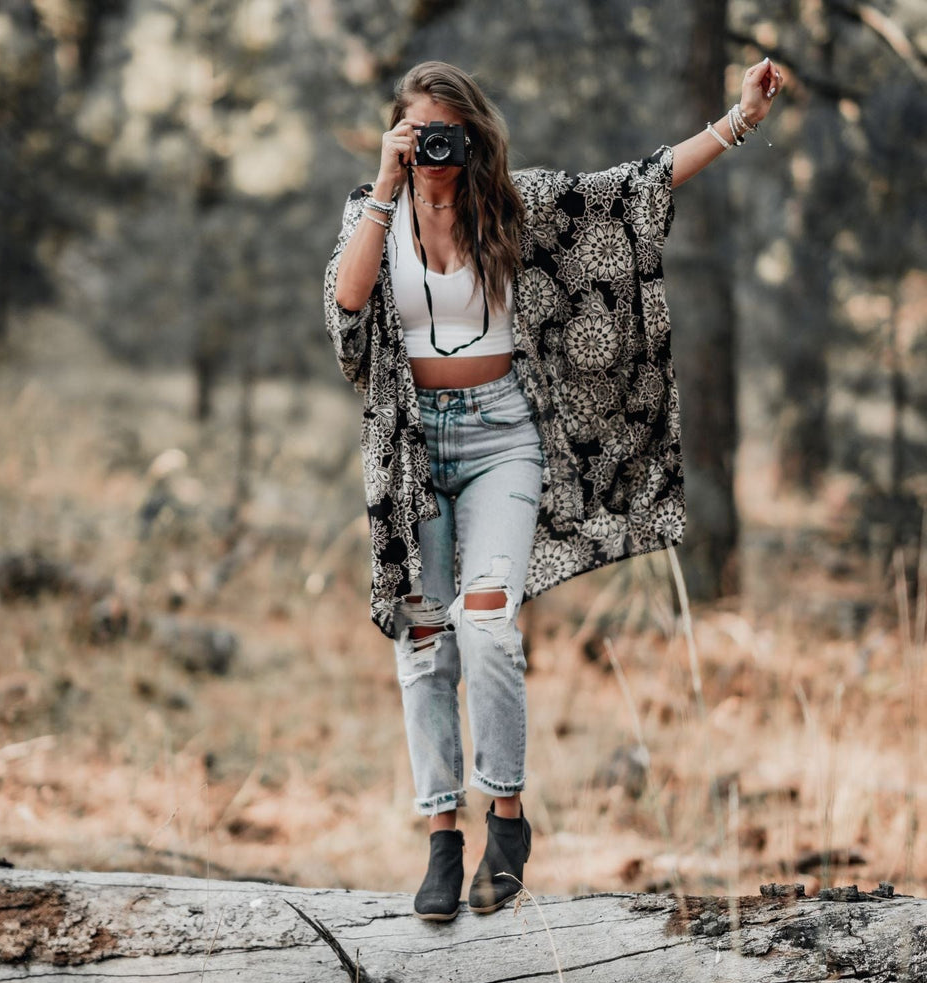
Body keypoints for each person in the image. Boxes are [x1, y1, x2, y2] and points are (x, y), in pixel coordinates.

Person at [324, 58, 782, 920]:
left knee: (487, 619)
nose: (436, 148)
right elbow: (346, 317)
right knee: (424, 642)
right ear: (398, 134)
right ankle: (439, 835)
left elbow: (633, 186)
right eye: (419, 133)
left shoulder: (514, 203)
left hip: (503, 435)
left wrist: (740, 119)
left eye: (447, 132)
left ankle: (506, 820)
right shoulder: (371, 210)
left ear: (472, 131)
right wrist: (388, 183)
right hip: (411, 444)